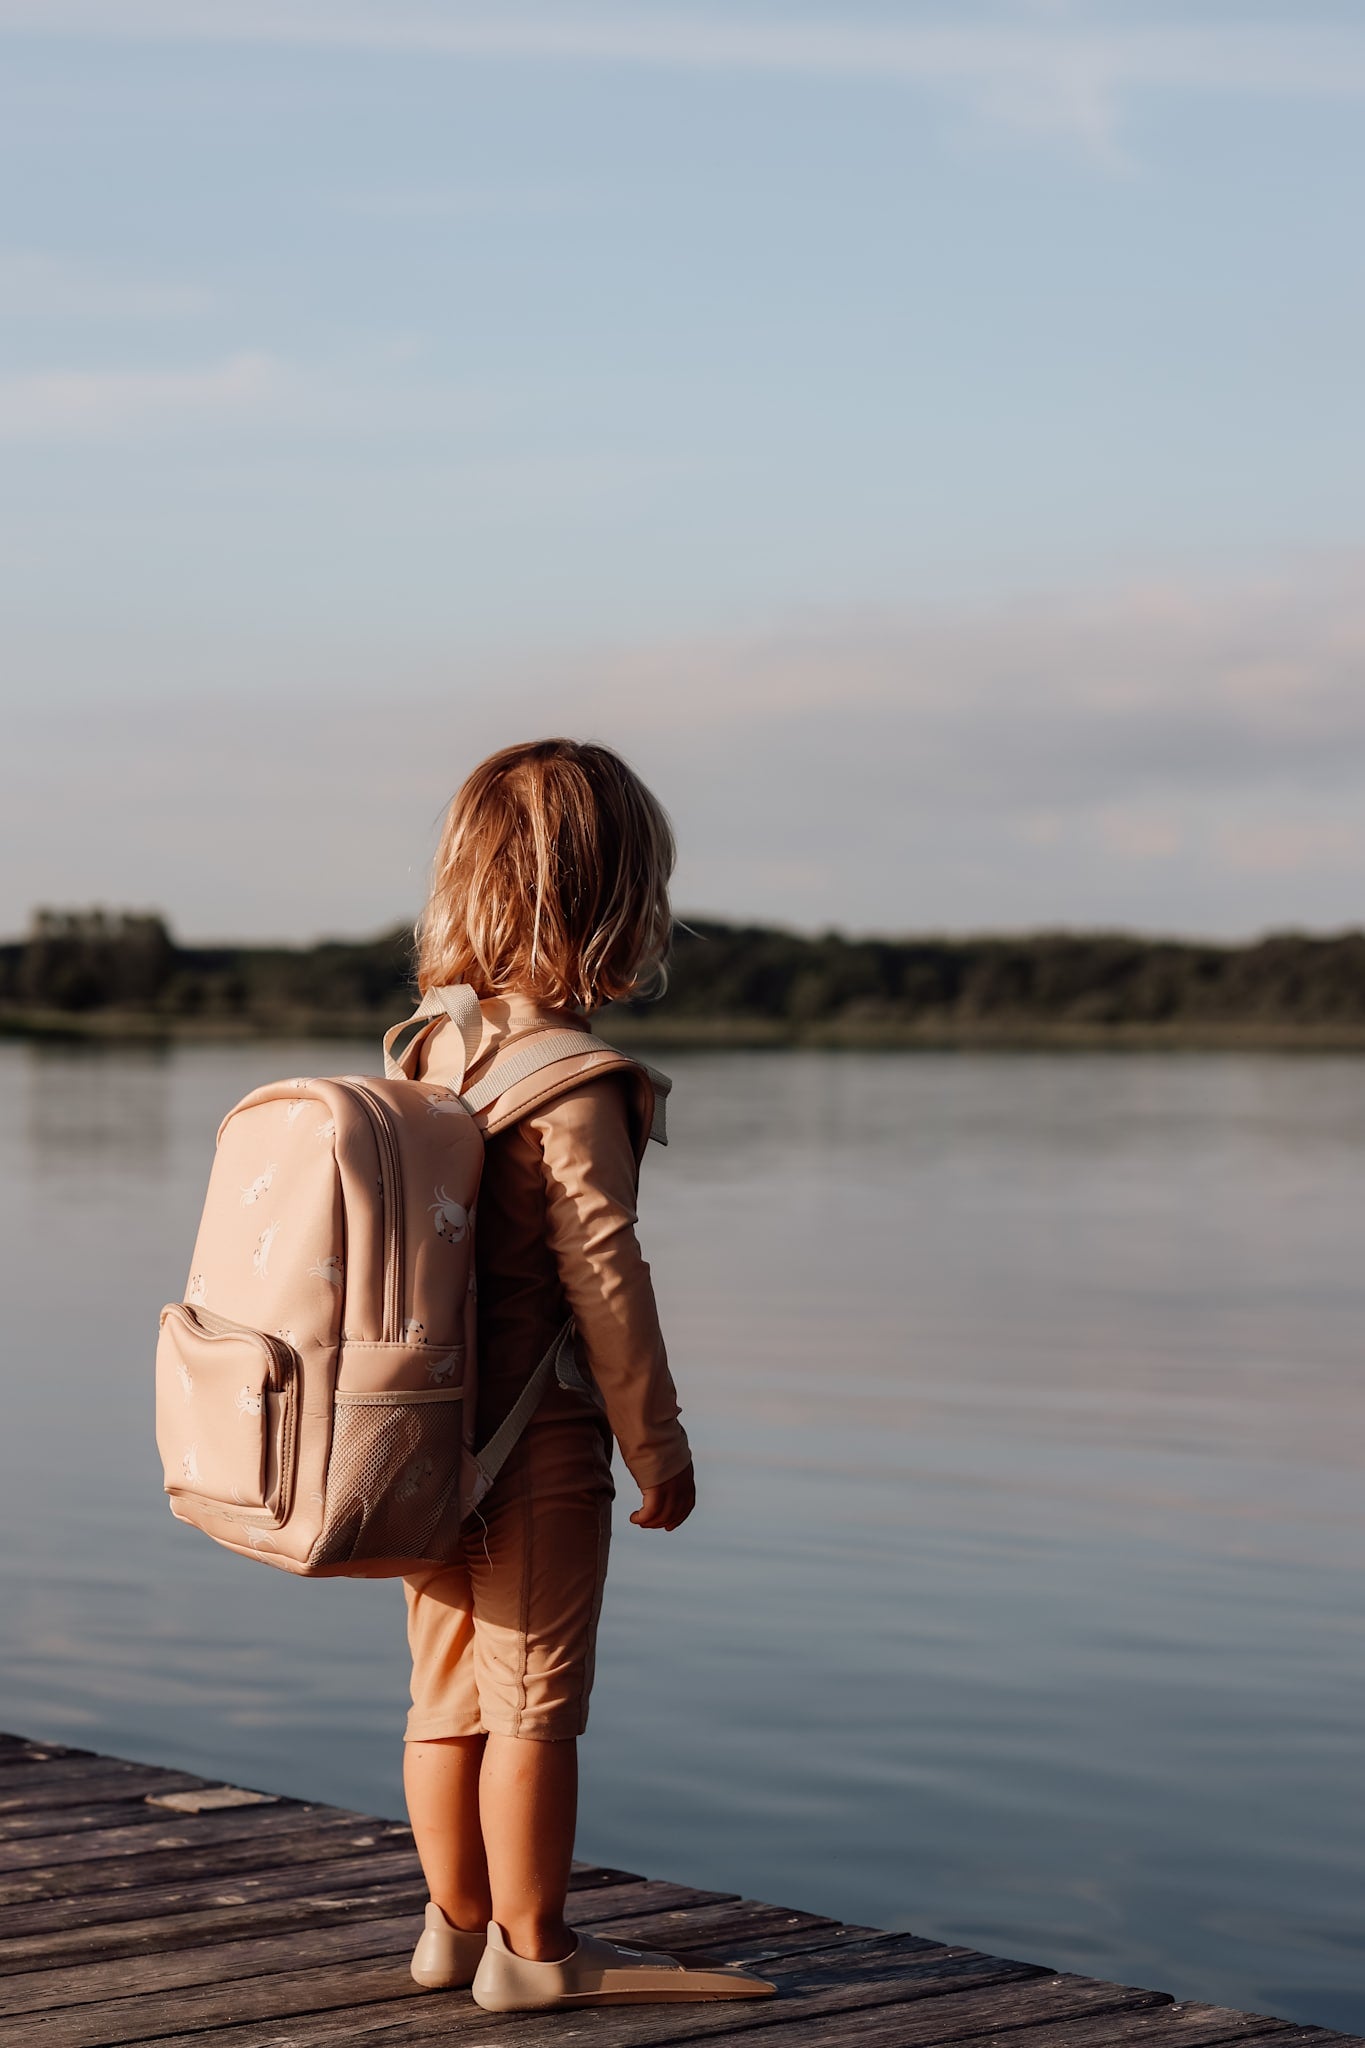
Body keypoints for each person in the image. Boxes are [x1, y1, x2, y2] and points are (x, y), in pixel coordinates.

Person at [398, 738, 776, 2013]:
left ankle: (453, 1925)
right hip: (538, 1440)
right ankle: (540, 1949)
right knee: (537, 1703)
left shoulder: (432, 1055)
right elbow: (605, 1275)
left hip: (429, 1436)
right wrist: (654, 1439)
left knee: (446, 1689)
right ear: (621, 901)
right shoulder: (577, 1081)